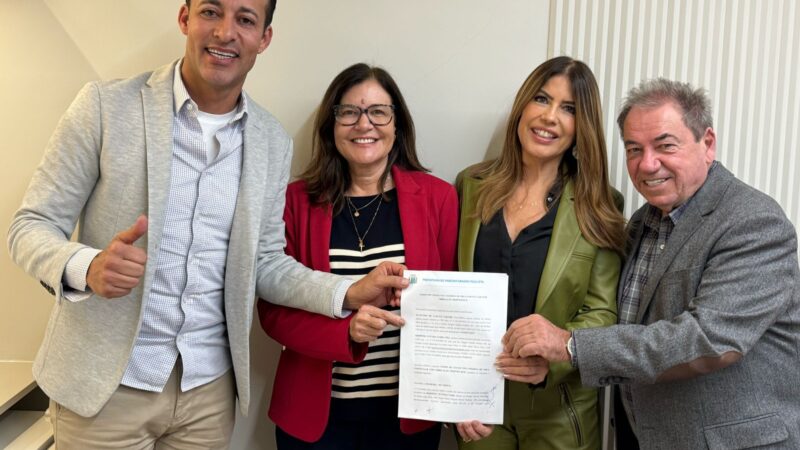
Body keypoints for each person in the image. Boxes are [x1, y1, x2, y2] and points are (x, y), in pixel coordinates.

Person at [6, 1, 408, 448]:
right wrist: (86, 266)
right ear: (185, 19)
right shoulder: (105, 106)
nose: (225, 32)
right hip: (104, 389)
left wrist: (347, 292)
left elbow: (268, 264)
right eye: (211, 12)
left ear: (264, 39)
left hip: (208, 395)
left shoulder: (271, 141)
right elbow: (30, 225)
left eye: (245, 19)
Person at [505, 78, 800, 450]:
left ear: (707, 144)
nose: (647, 164)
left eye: (665, 146)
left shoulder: (753, 221)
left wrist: (570, 346)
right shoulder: (643, 222)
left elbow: (709, 340)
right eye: (633, 149)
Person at [257, 62, 457, 449]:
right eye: (349, 112)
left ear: (397, 124)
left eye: (378, 112)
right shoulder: (295, 202)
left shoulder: (439, 198)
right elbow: (273, 312)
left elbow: (450, 307)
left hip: (407, 418)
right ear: (331, 126)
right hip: (315, 418)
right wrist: (344, 332)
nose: (364, 124)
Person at [454, 56, 626, 449]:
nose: (550, 117)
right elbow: (449, 293)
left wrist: (552, 358)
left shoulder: (598, 203)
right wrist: (452, 389)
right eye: (542, 99)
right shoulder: (470, 185)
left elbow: (603, 313)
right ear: (523, 107)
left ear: (581, 128)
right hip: (479, 408)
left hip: (559, 412)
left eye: (568, 109)